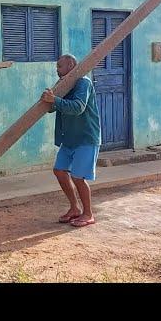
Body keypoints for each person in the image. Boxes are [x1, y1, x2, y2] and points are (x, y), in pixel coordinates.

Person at [41, 54, 101, 228]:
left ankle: (88, 213)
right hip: (69, 139)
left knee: (78, 177)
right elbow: (53, 108)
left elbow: (77, 107)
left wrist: (55, 100)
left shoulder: (84, 83)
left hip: (85, 138)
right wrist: (48, 100)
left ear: (71, 65)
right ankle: (75, 208)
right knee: (59, 171)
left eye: (59, 67)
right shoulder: (64, 85)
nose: (57, 70)